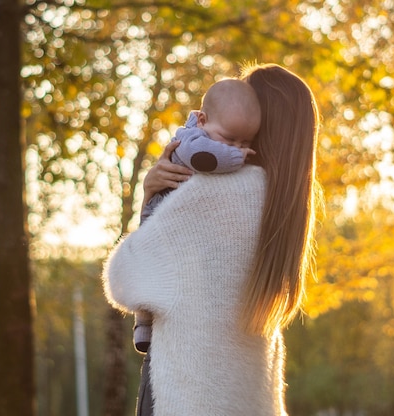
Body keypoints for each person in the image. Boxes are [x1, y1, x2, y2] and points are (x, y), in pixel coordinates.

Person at [103, 63, 320, 415]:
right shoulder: (284, 210)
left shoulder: (206, 192)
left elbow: (124, 279)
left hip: (186, 401)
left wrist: (151, 199)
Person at [133, 78, 261, 353]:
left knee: (148, 271)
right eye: (229, 140)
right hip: (158, 214)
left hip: (192, 333)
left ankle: (144, 323)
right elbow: (202, 156)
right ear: (202, 119)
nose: (236, 148)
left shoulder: (247, 185)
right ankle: (143, 324)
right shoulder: (192, 138)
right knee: (145, 271)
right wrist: (236, 157)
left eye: (245, 142)